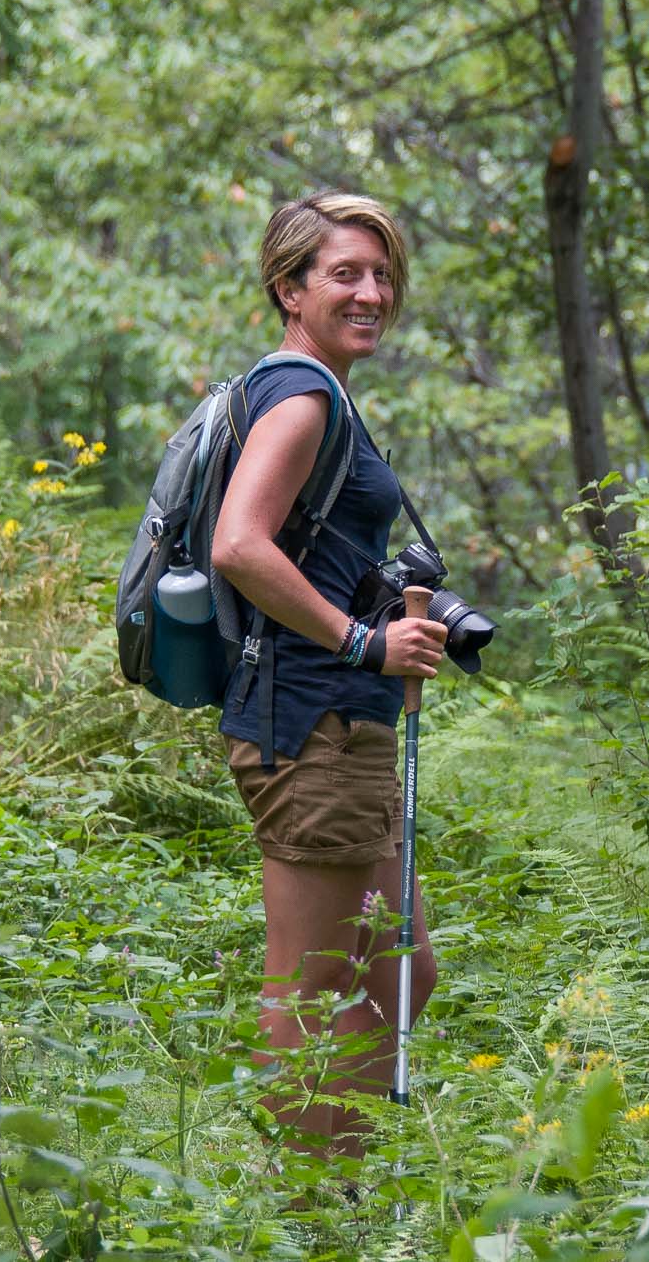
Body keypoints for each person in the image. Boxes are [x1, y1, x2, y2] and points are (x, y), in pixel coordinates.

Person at [209, 191, 447, 1158]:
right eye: (344, 273)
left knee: (400, 973)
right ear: (289, 288)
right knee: (310, 987)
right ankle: (309, 1205)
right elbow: (239, 544)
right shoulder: (302, 398)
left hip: (345, 727)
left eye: (382, 275)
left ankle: (340, 1168)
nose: (371, 293)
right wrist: (361, 640)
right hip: (312, 726)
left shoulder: (320, 396)